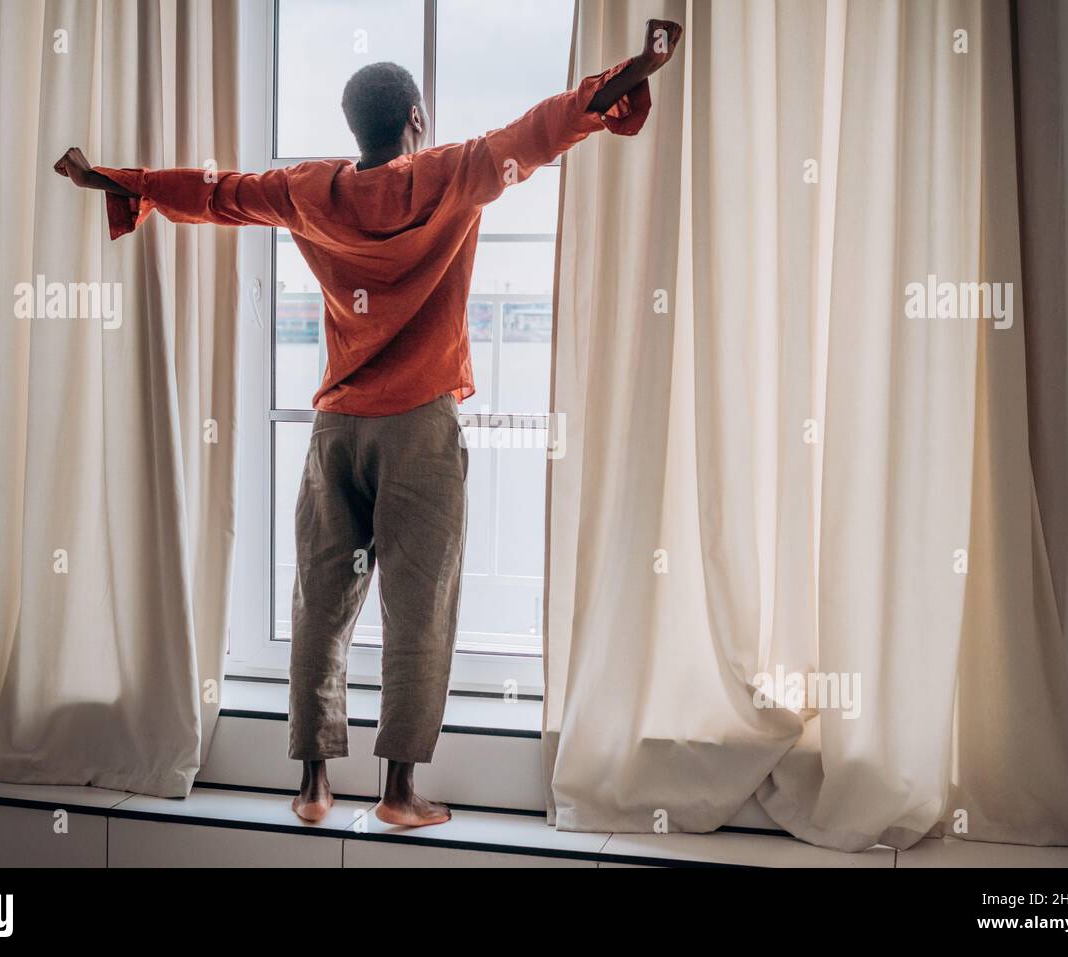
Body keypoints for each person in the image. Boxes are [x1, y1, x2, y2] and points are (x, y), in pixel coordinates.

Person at [55, 18, 683, 827]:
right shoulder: (460, 172)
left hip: (336, 427)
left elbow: (213, 193)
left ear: (357, 128)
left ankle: (314, 784)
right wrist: (637, 66)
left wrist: (114, 176)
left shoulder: (310, 189)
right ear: (416, 119)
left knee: (320, 599)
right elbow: (553, 123)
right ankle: (397, 793)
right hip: (419, 425)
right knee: (419, 607)